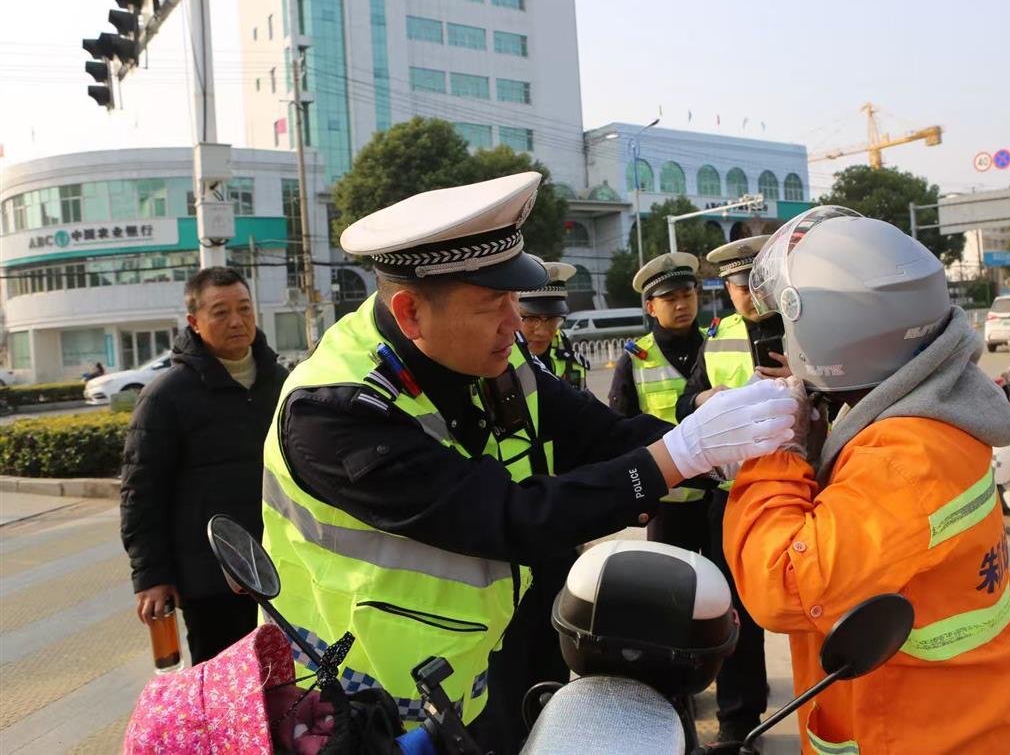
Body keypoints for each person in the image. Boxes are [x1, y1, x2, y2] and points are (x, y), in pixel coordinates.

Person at [261, 173, 798, 753]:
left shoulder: (490, 351)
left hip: (469, 669)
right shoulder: (335, 411)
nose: (516, 322)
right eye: (493, 304)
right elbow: (507, 517)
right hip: (357, 706)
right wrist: (680, 454)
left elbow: (597, 434)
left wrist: (720, 447)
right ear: (410, 312)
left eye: (514, 298)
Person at [724, 207, 1010, 754]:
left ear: (830, 331)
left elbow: (781, 586)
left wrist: (776, 454)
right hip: (973, 716)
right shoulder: (943, 409)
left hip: (922, 733)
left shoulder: (899, 460)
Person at [120, 267, 288, 664]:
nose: (237, 321)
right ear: (194, 322)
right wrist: (151, 577)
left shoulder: (282, 382)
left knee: (288, 682)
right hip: (210, 580)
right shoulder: (166, 396)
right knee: (224, 687)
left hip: (283, 568)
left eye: (244, 308)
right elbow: (140, 493)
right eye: (220, 312)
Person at [670, 235, 779, 746]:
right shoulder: (718, 336)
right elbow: (684, 402)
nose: (749, 297)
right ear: (728, 290)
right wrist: (704, 399)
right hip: (732, 496)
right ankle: (739, 720)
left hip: (798, 494)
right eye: (739, 287)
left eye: (756, 285)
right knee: (734, 610)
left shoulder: (808, 326)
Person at [608, 252, 711, 551]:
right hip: (667, 503)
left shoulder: (717, 345)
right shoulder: (634, 361)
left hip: (720, 496)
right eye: (670, 299)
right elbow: (619, 435)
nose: (681, 305)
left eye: (687, 295)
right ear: (651, 307)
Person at [518, 258, 590, 391]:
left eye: (552, 319)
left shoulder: (565, 351)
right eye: (531, 319)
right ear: (512, 315)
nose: (543, 332)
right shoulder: (494, 358)